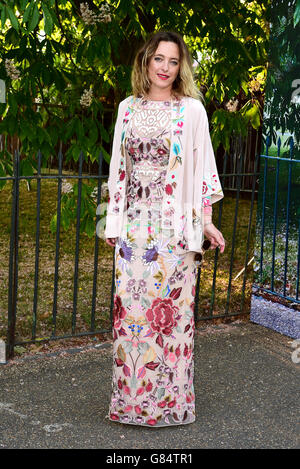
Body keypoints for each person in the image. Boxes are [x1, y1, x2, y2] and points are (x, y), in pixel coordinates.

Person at [104, 30, 225, 427]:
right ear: (145, 61)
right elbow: (119, 170)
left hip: (174, 233)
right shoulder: (126, 108)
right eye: (159, 59)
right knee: (132, 321)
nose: (165, 68)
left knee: (170, 322)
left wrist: (206, 224)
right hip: (134, 232)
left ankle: (170, 407)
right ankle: (131, 405)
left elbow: (204, 168)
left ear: (180, 67)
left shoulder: (191, 111)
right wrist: (113, 221)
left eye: (173, 62)